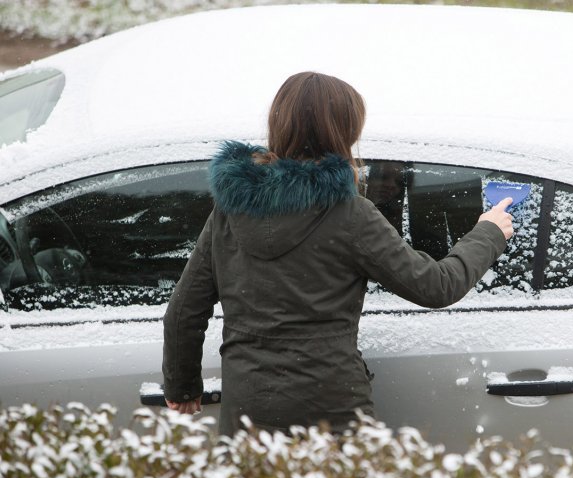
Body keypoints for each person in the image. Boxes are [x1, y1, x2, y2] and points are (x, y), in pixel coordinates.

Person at [162, 71, 514, 436]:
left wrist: (182, 387)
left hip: (248, 407)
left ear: (278, 123)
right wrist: (488, 233)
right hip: (330, 407)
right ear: (342, 133)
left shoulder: (228, 212)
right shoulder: (349, 214)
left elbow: (183, 312)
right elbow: (436, 286)